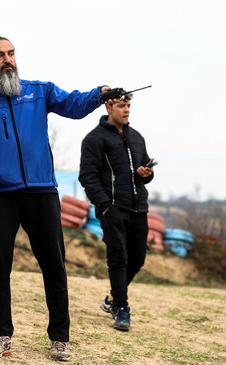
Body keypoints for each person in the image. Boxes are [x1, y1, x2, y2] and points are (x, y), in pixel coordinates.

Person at [0, 36, 111, 361]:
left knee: (54, 265)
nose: (7, 60)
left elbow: (74, 104)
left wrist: (99, 95)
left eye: (11, 53)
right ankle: (0, 335)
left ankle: (60, 338)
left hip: (42, 191)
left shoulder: (39, 91)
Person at [78, 94, 154, 331]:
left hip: (139, 208)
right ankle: (121, 307)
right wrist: (103, 205)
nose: (127, 110)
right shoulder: (94, 139)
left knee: (138, 258)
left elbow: (145, 173)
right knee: (118, 256)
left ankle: (112, 298)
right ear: (109, 106)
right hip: (112, 208)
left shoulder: (137, 137)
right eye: (121, 105)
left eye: (129, 105)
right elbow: (87, 177)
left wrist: (148, 174)